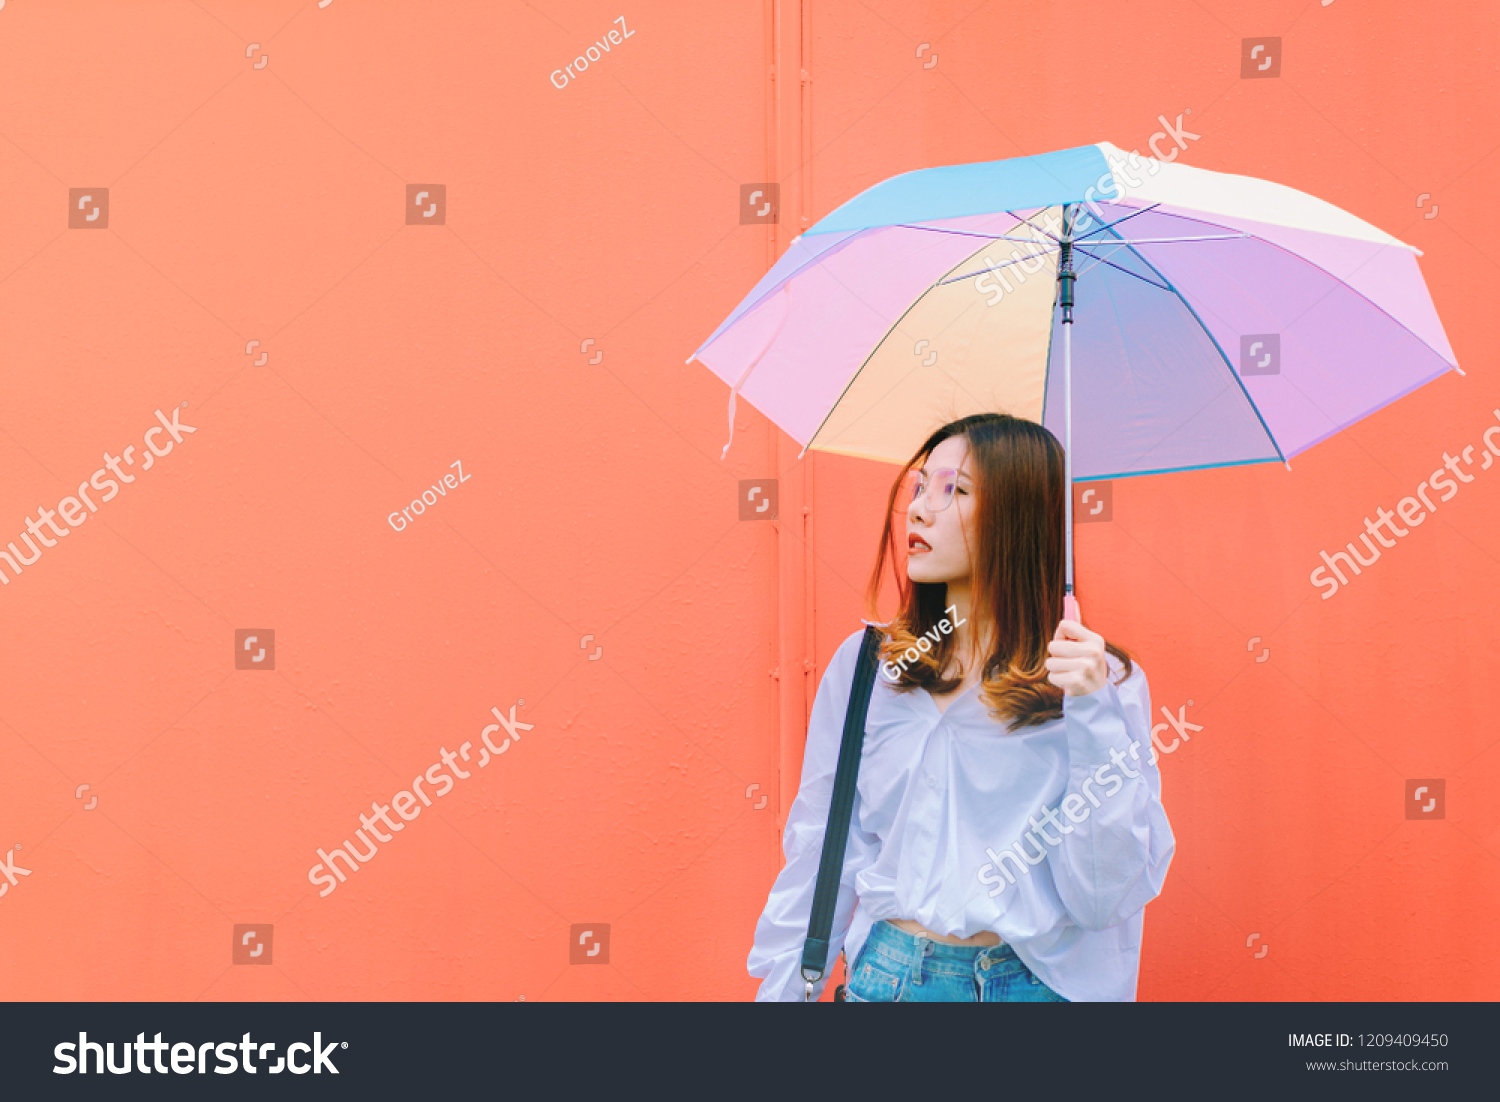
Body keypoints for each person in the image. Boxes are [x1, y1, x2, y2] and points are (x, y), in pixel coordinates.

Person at [747, 412, 1174, 1002]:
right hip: (885, 983)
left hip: (1032, 987)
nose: (920, 510)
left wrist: (1094, 713)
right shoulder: (869, 667)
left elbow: (1103, 897)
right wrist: (780, 994)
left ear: (1017, 516)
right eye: (921, 487)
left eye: (955, 491)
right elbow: (824, 846)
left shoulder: (1100, 684)